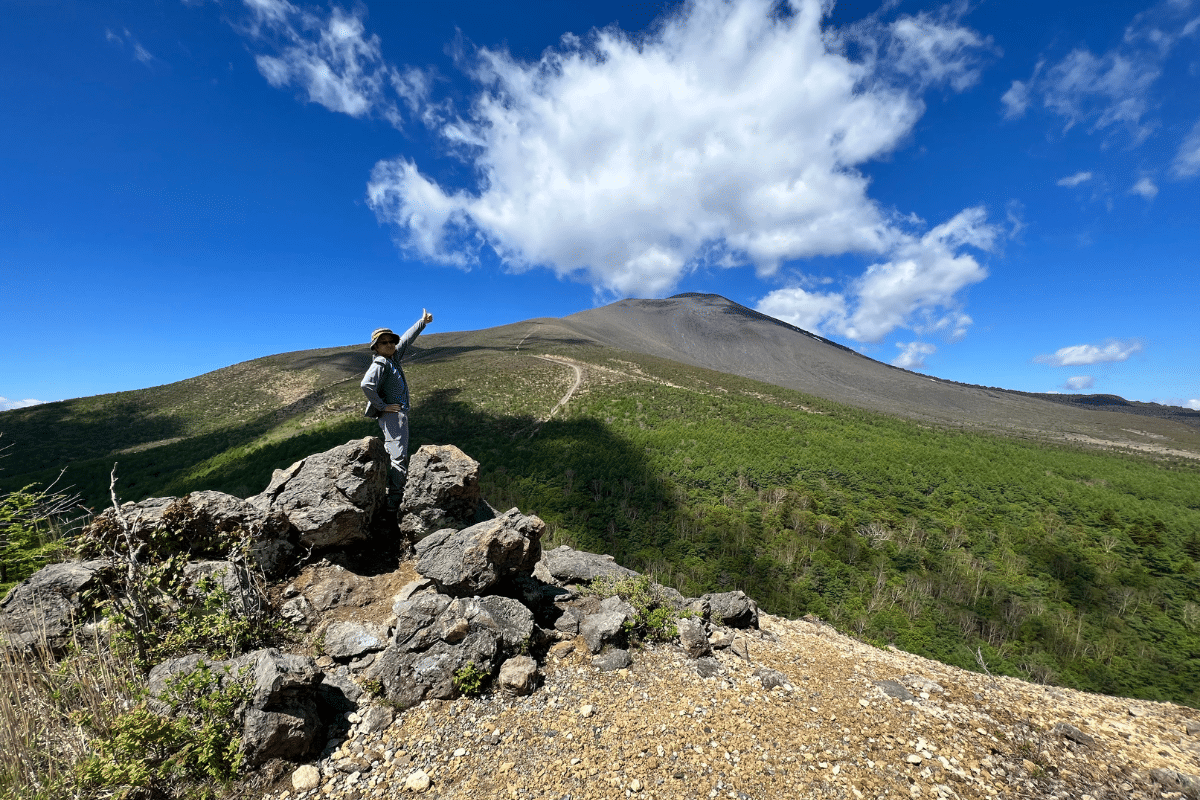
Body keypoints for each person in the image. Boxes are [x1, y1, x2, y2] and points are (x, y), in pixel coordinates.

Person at [361, 309, 433, 515]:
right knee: (398, 457)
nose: (390, 345)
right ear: (375, 347)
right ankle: (394, 502)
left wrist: (422, 322)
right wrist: (382, 406)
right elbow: (366, 385)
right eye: (384, 342)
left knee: (396, 454)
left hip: (396, 415)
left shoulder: (392, 358)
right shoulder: (381, 363)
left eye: (392, 341)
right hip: (392, 415)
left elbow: (407, 340)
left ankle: (393, 495)